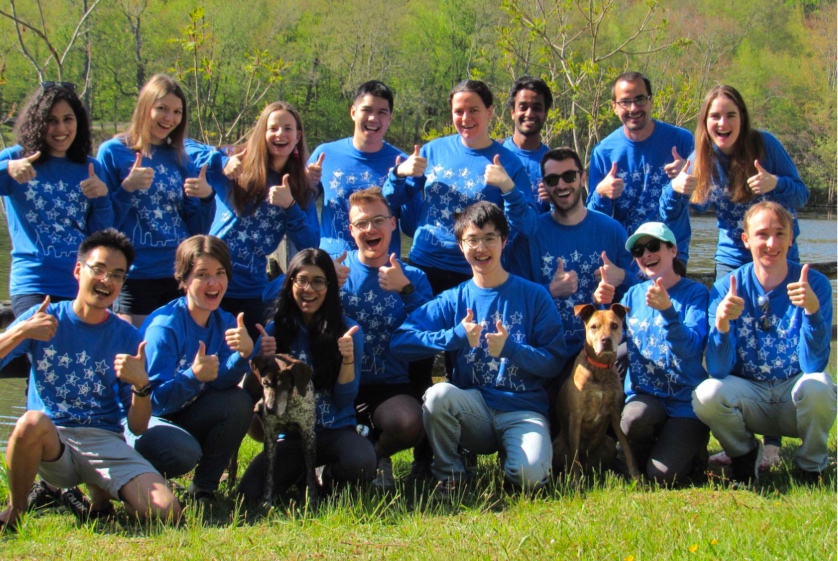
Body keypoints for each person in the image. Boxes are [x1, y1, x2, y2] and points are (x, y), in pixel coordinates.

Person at [662, 85, 809, 467]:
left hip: (777, 249)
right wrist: (676, 189)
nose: (722, 123)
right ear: (705, 123)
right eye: (715, 116)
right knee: (727, 330)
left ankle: (773, 441)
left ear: (742, 119)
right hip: (732, 253)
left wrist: (778, 186)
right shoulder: (702, 157)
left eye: (730, 115)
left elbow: (802, 195)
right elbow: (669, 208)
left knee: (778, 335)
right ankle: (739, 438)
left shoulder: (765, 146)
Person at [0, 229, 180, 531]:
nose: (106, 281)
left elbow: (137, 427)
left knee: (168, 513)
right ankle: (16, 508)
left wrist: (141, 386)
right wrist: (21, 332)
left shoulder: (128, 337)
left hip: (104, 440)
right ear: (78, 270)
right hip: (52, 438)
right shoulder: (43, 316)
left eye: (117, 275)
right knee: (30, 422)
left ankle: (101, 492)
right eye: (99, 269)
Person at [391, 202, 568, 494]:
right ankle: (451, 475)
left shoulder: (534, 296)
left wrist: (512, 349)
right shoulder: (453, 299)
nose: (481, 247)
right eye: (472, 239)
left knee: (530, 478)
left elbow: (554, 362)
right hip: (475, 412)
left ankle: (514, 459)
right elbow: (401, 341)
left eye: (489, 238)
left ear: (504, 241)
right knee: (438, 395)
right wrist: (454, 337)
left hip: (523, 410)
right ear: (461, 246)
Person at [692, 202, 835, 486]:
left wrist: (812, 311)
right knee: (706, 394)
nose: (772, 243)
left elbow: (814, 364)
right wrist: (721, 324)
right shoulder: (726, 289)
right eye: (762, 234)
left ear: (791, 237)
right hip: (751, 397)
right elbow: (719, 370)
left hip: (793, 396)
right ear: (746, 240)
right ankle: (744, 454)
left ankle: (810, 466)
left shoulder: (814, 285)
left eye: (780, 234)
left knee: (819, 385)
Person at [238, 249, 375, 503]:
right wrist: (260, 360)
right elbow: (252, 395)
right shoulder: (274, 330)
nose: (308, 289)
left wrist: (347, 359)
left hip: (335, 431)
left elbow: (345, 401)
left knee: (363, 463)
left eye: (318, 281)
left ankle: (328, 476)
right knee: (250, 493)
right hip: (291, 436)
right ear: (290, 283)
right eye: (301, 280)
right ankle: (301, 474)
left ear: (330, 286)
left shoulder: (349, 331)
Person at [127, 235, 254, 501]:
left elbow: (220, 384)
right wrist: (193, 376)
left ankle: (204, 489)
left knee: (239, 401)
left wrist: (243, 355)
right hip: (143, 423)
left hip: (185, 412)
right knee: (183, 451)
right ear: (184, 280)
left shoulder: (225, 321)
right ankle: (136, 477)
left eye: (220, 273)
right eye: (202, 275)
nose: (213, 283)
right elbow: (153, 403)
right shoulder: (164, 328)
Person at [384, 79, 539, 291]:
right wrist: (399, 173)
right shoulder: (432, 151)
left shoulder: (509, 163)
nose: (466, 118)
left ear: (490, 112)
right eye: (458, 111)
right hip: (424, 264)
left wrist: (508, 189)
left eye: (474, 110)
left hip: (476, 271)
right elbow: (391, 200)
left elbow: (529, 226)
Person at [185, 102, 320, 339]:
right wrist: (220, 162)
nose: (281, 134)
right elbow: (185, 147)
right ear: (262, 133)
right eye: (273, 128)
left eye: (288, 128)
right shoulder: (237, 164)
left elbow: (310, 243)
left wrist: (290, 206)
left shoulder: (302, 187)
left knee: (248, 362)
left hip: (248, 289)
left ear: (298, 136)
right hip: (209, 279)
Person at [593, 222, 710, 485]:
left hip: (685, 403)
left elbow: (690, 349)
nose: (646, 254)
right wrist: (602, 301)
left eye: (653, 246)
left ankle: (692, 449)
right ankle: (644, 451)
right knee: (634, 420)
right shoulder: (633, 295)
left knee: (662, 476)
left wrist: (669, 311)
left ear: (673, 250)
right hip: (647, 397)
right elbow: (608, 336)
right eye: (638, 250)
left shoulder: (695, 294)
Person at [97, 74, 216, 327]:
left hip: (178, 273)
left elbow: (197, 230)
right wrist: (127, 188)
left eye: (177, 112)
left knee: (175, 353)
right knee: (134, 353)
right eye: (161, 109)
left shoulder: (181, 158)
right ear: (145, 106)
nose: (169, 118)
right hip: (135, 273)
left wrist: (206, 198)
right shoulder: (114, 152)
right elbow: (102, 224)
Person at [341, 187, 433, 490]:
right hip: (339, 384)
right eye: (362, 223)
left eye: (378, 220)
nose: (371, 229)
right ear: (351, 230)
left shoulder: (414, 277)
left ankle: (374, 456)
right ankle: (339, 458)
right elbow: (282, 294)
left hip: (390, 385)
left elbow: (429, 332)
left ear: (393, 223)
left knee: (410, 422)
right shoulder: (337, 272)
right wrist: (321, 280)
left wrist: (406, 291)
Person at [0, 82, 113, 317]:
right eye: (51, 120)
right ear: (37, 123)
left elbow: (100, 236)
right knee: (37, 348)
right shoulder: (16, 159)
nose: (60, 128)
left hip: (82, 282)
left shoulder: (91, 167)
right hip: (34, 282)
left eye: (67, 119)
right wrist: (7, 169)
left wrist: (102, 197)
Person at [509, 147, 634, 359]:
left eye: (569, 176)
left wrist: (621, 277)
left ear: (583, 178)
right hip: (546, 350)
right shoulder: (530, 235)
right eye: (552, 180)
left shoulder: (612, 231)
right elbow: (514, 299)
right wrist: (550, 290)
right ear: (544, 186)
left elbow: (640, 293)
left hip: (600, 350)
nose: (561, 185)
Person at [586, 71, 694, 265]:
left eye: (640, 99)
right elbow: (594, 220)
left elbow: (703, 200)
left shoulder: (682, 141)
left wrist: (688, 177)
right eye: (625, 102)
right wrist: (601, 193)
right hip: (626, 258)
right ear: (614, 107)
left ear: (651, 101)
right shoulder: (603, 152)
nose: (633, 108)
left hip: (671, 255)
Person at [309, 80, 423, 258]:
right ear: (353, 112)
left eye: (382, 112)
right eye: (367, 110)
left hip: (381, 272)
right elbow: (302, 205)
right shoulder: (325, 154)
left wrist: (412, 184)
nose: (373, 118)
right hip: (333, 267)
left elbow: (410, 227)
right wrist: (306, 183)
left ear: (390, 118)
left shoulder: (404, 163)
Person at [502, 76, 553, 213]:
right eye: (523, 107)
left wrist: (554, 200)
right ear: (512, 112)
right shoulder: (496, 155)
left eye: (537, 108)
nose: (529, 114)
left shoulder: (553, 163)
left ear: (545, 113)